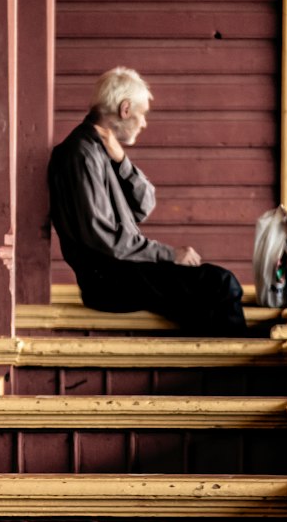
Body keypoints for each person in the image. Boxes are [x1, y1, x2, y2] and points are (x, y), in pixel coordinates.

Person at [48, 66, 248, 336]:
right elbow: (105, 238)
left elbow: (144, 205)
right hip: (108, 281)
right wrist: (169, 255)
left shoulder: (104, 152)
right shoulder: (81, 154)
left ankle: (228, 369)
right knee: (222, 284)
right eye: (142, 115)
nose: (143, 123)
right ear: (125, 109)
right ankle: (243, 369)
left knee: (209, 300)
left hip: (124, 272)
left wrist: (122, 163)